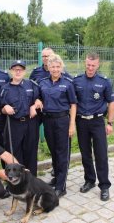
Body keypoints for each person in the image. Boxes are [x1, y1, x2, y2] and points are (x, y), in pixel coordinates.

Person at [73, 52, 114, 201]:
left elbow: (111, 103)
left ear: (98, 65)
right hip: (81, 122)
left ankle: (104, 186)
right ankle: (89, 180)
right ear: (85, 63)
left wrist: (110, 123)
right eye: (88, 65)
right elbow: (72, 102)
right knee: (85, 154)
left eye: (93, 65)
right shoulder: (76, 80)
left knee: (101, 154)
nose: (90, 68)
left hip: (97, 122)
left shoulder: (105, 82)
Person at [38, 54, 77, 198]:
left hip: (62, 121)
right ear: (48, 67)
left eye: (57, 66)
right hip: (48, 121)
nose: (55, 69)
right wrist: (36, 100)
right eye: (52, 66)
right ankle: (56, 179)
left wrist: (72, 124)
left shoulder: (67, 83)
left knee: (62, 153)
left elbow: (73, 104)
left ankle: (61, 186)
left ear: (61, 67)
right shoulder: (42, 82)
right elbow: (38, 97)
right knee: (53, 151)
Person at [30, 47, 72, 177]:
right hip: (43, 113)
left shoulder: (65, 76)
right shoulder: (36, 73)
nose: (46, 58)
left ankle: (61, 172)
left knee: (62, 146)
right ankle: (55, 167)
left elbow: (72, 96)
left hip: (59, 114)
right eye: (44, 56)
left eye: (48, 56)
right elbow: (31, 89)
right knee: (51, 144)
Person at [0, 60, 42, 176]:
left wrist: (35, 105)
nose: (18, 72)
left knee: (31, 152)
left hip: (30, 123)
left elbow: (40, 98)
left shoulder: (31, 85)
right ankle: (16, 181)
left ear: (24, 71)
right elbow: (1, 108)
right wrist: (5, 107)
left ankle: (31, 180)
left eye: (20, 69)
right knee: (15, 153)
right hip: (14, 124)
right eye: (15, 69)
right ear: (11, 71)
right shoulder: (5, 88)